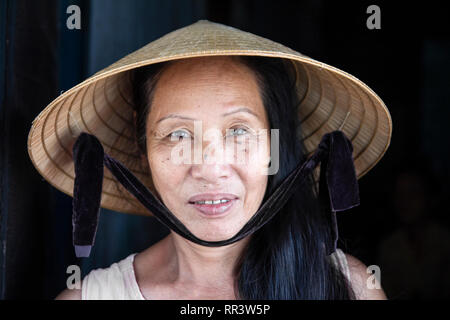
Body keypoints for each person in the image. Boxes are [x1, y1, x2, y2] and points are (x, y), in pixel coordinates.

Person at [27, 20, 391, 299]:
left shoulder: (352, 288)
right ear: (143, 149)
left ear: (273, 144)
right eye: (178, 135)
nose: (210, 169)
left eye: (238, 131)